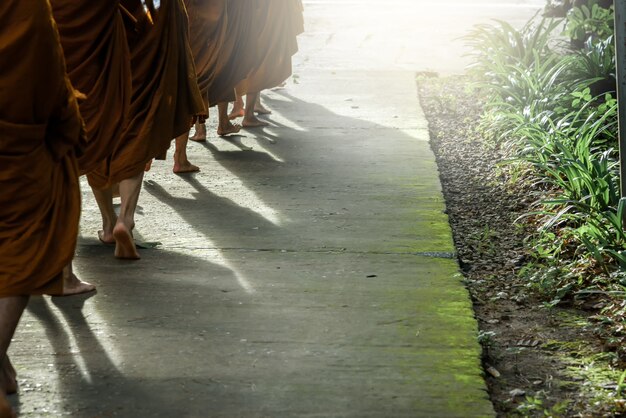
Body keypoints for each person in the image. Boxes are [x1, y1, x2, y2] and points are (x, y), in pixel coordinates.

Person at [0, 0, 86, 415]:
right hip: (17, 152)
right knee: (23, 246)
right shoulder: (28, 8)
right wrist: (66, 125)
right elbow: (49, 74)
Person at [88, 0, 206, 256]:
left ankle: (108, 224)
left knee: (98, 136)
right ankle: (125, 220)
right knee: (136, 136)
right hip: (147, 51)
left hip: (101, 52)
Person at [229, 0, 304, 128]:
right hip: (263, 12)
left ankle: (241, 105)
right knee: (260, 59)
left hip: (247, 11)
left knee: (243, 56)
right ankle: (248, 115)